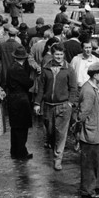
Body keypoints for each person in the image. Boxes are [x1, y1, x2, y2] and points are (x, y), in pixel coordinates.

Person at [34, 43, 78, 171]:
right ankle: (54, 149)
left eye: (61, 54)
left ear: (64, 55)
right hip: (48, 105)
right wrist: (37, 103)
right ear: (52, 55)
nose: (59, 57)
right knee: (50, 131)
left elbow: (73, 88)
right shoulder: (46, 68)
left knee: (61, 133)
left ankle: (58, 159)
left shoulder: (69, 69)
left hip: (63, 105)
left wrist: (70, 103)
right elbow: (41, 88)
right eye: (56, 54)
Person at [77, 62, 99, 198]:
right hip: (90, 132)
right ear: (95, 75)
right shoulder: (88, 90)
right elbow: (83, 113)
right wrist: (77, 130)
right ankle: (88, 190)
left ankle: (95, 186)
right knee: (89, 162)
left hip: (95, 131)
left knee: (97, 160)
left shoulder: (95, 87)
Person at [6, 46, 34, 160]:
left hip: (13, 98)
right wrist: (31, 78)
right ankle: (21, 152)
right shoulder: (19, 69)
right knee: (22, 127)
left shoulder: (12, 67)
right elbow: (28, 83)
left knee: (16, 128)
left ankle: (15, 151)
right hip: (21, 99)